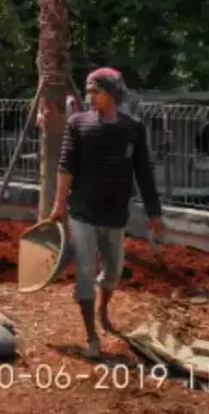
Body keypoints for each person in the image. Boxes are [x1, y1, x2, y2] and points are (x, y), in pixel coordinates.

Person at [50, 67, 164, 359]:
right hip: (82, 212)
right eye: (88, 90)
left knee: (113, 272)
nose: (89, 96)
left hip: (115, 215)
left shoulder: (132, 128)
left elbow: (144, 172)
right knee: (85, 272)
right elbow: (65, 166)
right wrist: (58, 205)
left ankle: (102, 310)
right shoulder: (78, 124)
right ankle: (91, 336)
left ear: (111, 93)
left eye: (95, 91)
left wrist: (154, 212)